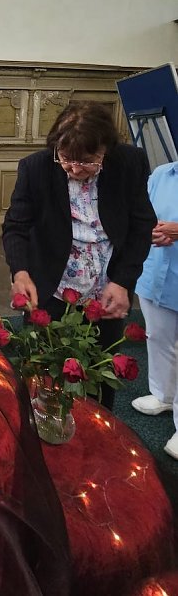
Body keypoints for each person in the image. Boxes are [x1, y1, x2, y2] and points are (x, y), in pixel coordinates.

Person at [2, 101, 156, 408]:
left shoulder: (130, 162)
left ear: (105, 151)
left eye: (87, 162)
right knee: (44, 375)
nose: (74, 169)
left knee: (97, 377)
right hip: (51, 287)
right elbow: (16, 227)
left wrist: (123, 281)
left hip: (106, 291)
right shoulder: (36, 168)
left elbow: (141, 227)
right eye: (66, 160)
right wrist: (20, 273)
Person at [133, 161, 178, 459]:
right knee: (158, 338)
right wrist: (150, 230)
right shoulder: (163, 174)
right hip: (156, 274)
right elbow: (140, 213)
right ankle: (163, 394)